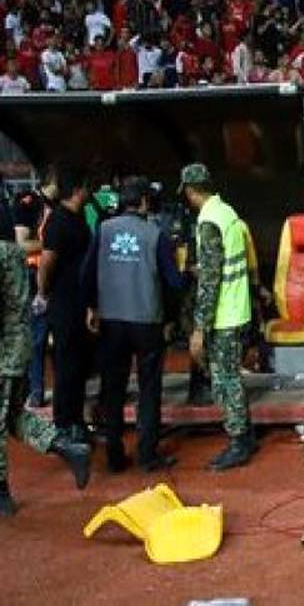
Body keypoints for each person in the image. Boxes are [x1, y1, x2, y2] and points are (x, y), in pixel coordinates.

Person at [82, 177, 188, 473]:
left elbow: (86, 273)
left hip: (111, 321)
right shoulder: (156, 234)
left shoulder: (103, 230)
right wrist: (186, 279)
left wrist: (92, 306)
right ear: (143, 201)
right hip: (147, 321)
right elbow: (173, 282)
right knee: (149, 388)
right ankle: (147, 455)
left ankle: (114, 456)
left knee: (112, 388)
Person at [1, 236, 91, 517]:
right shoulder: (13, 252)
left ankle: (1, 491)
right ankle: (67, 448)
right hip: (18, 346)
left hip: (5, 351)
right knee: (14, 415)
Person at [180, 163, 255, 471]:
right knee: (231, 376)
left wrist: (199, 327)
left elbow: (210, 281)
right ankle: (244, 434)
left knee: (225, 380)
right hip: (239, 308)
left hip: (224, 315)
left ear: (190, 191)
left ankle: (238, 441)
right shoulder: (227, 212)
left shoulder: (209, 221)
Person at [36, 165, 91, 440]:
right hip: (64, 305)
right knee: (66, 365)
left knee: (79, 365)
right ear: (77, 190)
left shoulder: (79, 219)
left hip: (80, 303)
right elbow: (46, 262)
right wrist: (43, 293)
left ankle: (76, 420)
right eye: (87, 187)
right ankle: (63, 424)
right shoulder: (58, 221)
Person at [14, 167, 57, 408]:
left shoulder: (61, 206)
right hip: (34, 276)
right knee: (38, 336)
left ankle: (61, 391)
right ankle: (35, 390)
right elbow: (21, 244)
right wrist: (51, 244)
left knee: (60, 336)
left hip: (57, 276)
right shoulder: (29, 202)